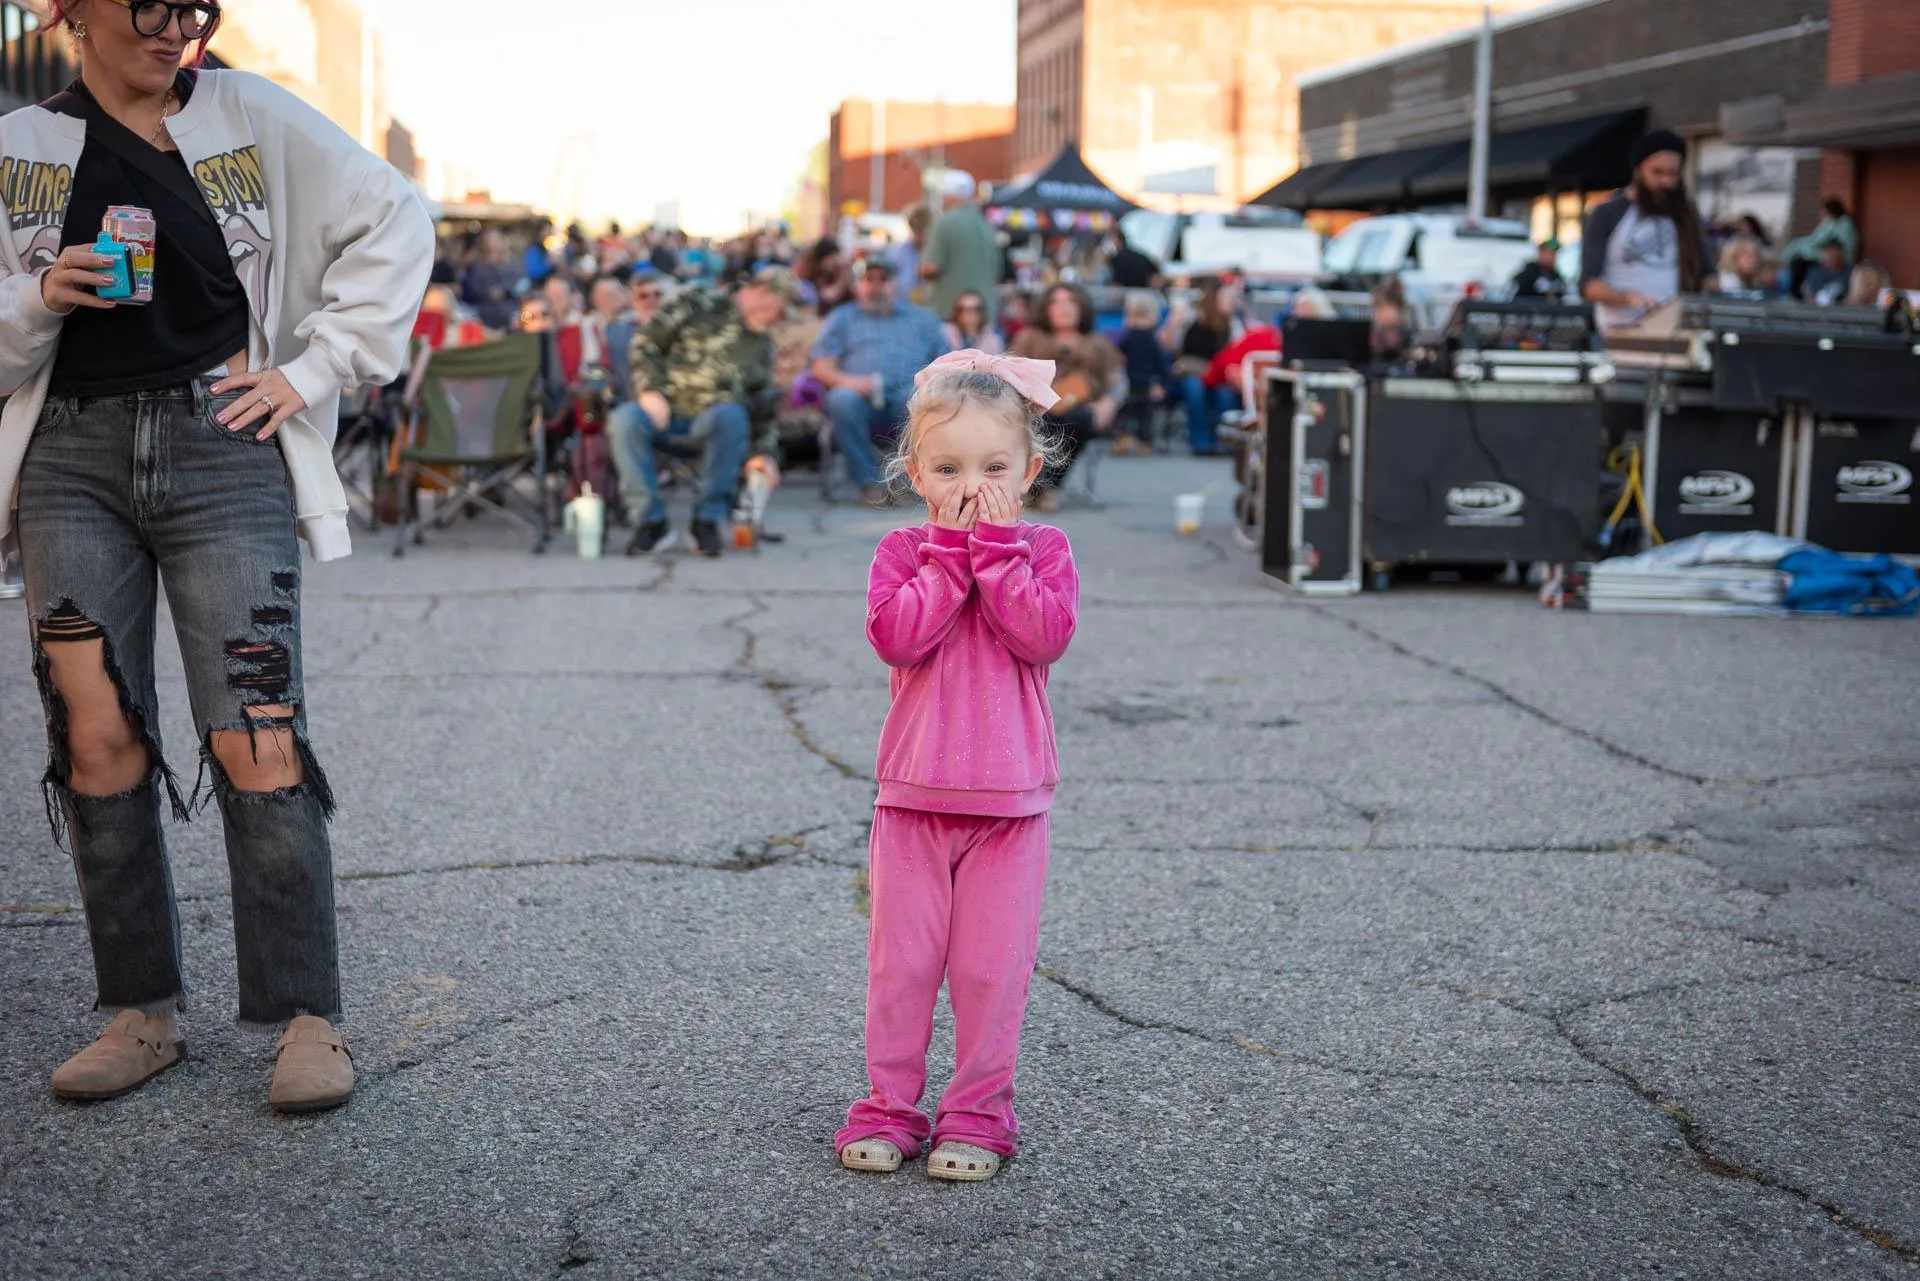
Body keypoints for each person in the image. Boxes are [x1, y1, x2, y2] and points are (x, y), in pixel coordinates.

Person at [0, 0, 433, 1112]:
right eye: (151, 5)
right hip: (68, 456)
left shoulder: (249, 114)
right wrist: (36, 296)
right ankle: (140, 1012)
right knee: (94, 734)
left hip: (223, 443)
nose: (175, 30)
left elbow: (394, 216)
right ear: (73, 9)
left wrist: (313, 368)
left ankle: (307, 1016)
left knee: (257, 726)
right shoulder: (20, 146)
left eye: (194, 9)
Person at [836, 349, 1078, 1184]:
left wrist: (1000, 553)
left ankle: (978, 1113)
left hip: (1009, 809)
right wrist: (947, 552)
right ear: (915, 474)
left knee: (988, 971)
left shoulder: (1045, 550)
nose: (972, 486)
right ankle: (889, 1107)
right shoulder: (903, 551)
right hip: (913, 801)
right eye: (948, 469)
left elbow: (1042, 636)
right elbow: (897, 638)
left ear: (1029, 471)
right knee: (902, 967)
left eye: (993, 469)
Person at [610, 266, 799, 557]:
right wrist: (649, 390)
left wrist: (764, 454)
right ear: (763, 293)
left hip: (713, 422)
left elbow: (763, 403)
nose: (779, 321)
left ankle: (707, 520)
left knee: (731, 415)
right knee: (624, 420)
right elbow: (646, 342)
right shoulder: (699, 300)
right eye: (780, 311)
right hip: (663, 410)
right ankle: (649, 521)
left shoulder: (761, 345)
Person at [812, 259, 953, 505]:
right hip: (859, 396)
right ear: (858, 284)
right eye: (869, 279)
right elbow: (821, 367)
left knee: (920, 399)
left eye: (883, 279)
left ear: (896, 284)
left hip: (908, 393)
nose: (876, 286)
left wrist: (927, 384)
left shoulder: (922, 319)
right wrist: (850, 381)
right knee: (841, 399)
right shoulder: (842, 318)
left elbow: (948, 363)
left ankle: (907, 482)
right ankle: (870, 483)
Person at [1579, 129, 1711, 328]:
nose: (1666, 181)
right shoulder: (1607, 213)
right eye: (1657, 172)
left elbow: (1708, 274)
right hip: (1621, 327)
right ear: (1639, 170)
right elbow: (1589, 285)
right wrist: (1627, 298)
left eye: (1673, 174)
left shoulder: (1686, 215)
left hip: (1677, 326)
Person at [1009, 283, 1124, 503]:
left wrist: (1108, 402)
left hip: (1082, 411)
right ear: (1046, 308)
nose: (1064, 308)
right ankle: (1037, 487)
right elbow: (1010, 374)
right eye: (1056, 302)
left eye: (1071, 301)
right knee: (1044, 419)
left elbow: (1118, 382)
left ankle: (1044, 488)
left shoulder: (1098, 343)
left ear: (1082, 307)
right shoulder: (1029, 338)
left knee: (1078, 419)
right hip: (1037, 408)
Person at [1173, 278, 1244, 455]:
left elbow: (1238, 350)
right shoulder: (1191, 317)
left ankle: (1224, 440)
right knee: (1194, 389)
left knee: (1225, 394)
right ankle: (1200, 441)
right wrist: (1174, 323)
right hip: (1192, 371)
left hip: (1218, 373)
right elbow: (1171, 345)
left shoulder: (1233, 324)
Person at [923, 173, 1003, 324]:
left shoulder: (944, 223)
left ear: (946, 195)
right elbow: (997, 273)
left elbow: (931, 267)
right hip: (983, 316)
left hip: (949, 315)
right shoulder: (986, 226)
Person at [1112, 289, 1171, 455]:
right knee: (1138, 415)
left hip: (1139, 384)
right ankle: (1134, 440)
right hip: (1136, 383)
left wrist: (1162, 384)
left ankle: (1136, 439)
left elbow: (1161, 365)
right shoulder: (1142, 339)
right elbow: (1162, 366)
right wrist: (1163, 383)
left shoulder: (1142, 340)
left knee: (1137, 415)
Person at [1785, 198, 1860, 299]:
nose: (1821, 213)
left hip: (1840, 259)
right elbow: (1814, 240)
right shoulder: (1827, 223)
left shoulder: (1845, 224)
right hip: (1823, 254)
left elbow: (1842, 246)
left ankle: (1796, 294)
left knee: (1800, 264)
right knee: (1798, 260)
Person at [460, 227, 520, 331]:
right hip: (484, 310)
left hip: (509, 309)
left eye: (495, 239)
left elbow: (520, 284)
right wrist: (487, 292)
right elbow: (471, 286)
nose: (492, 243)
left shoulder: (511, 263)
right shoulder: (477, 264)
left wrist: (505, 290)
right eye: (489, 239)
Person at [942, 290, 1003, 355]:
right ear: (956, 312)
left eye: (975, 309)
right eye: (963, 309)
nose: (970, 313)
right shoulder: (945, 334)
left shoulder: (993, 339)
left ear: (982, 312)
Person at [892, 207, 932, 305]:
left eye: (921, 231)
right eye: (915, 230)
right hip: (903, 305)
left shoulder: (935, 252)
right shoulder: (900, 251)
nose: (918, 236)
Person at [1801, 240, 1852, 306]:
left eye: (1834, 252)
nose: (1831, 256)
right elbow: (1808, 293)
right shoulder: (1815, 272)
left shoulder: (1849, 272)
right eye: (1827, 252)